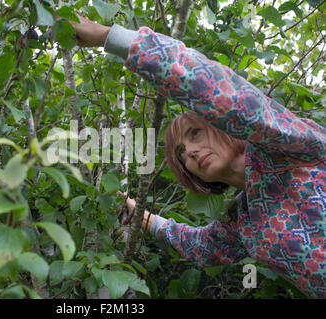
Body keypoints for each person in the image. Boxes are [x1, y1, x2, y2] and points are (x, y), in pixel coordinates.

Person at [68, 15, 326, 298]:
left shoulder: (290, 150)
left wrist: (109, 36)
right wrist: (139, 212)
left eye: (195, 134)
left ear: (224, 127)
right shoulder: (244, 221)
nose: (189, 152)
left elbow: (226, 96)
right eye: (181, 154)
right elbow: (199, 245)